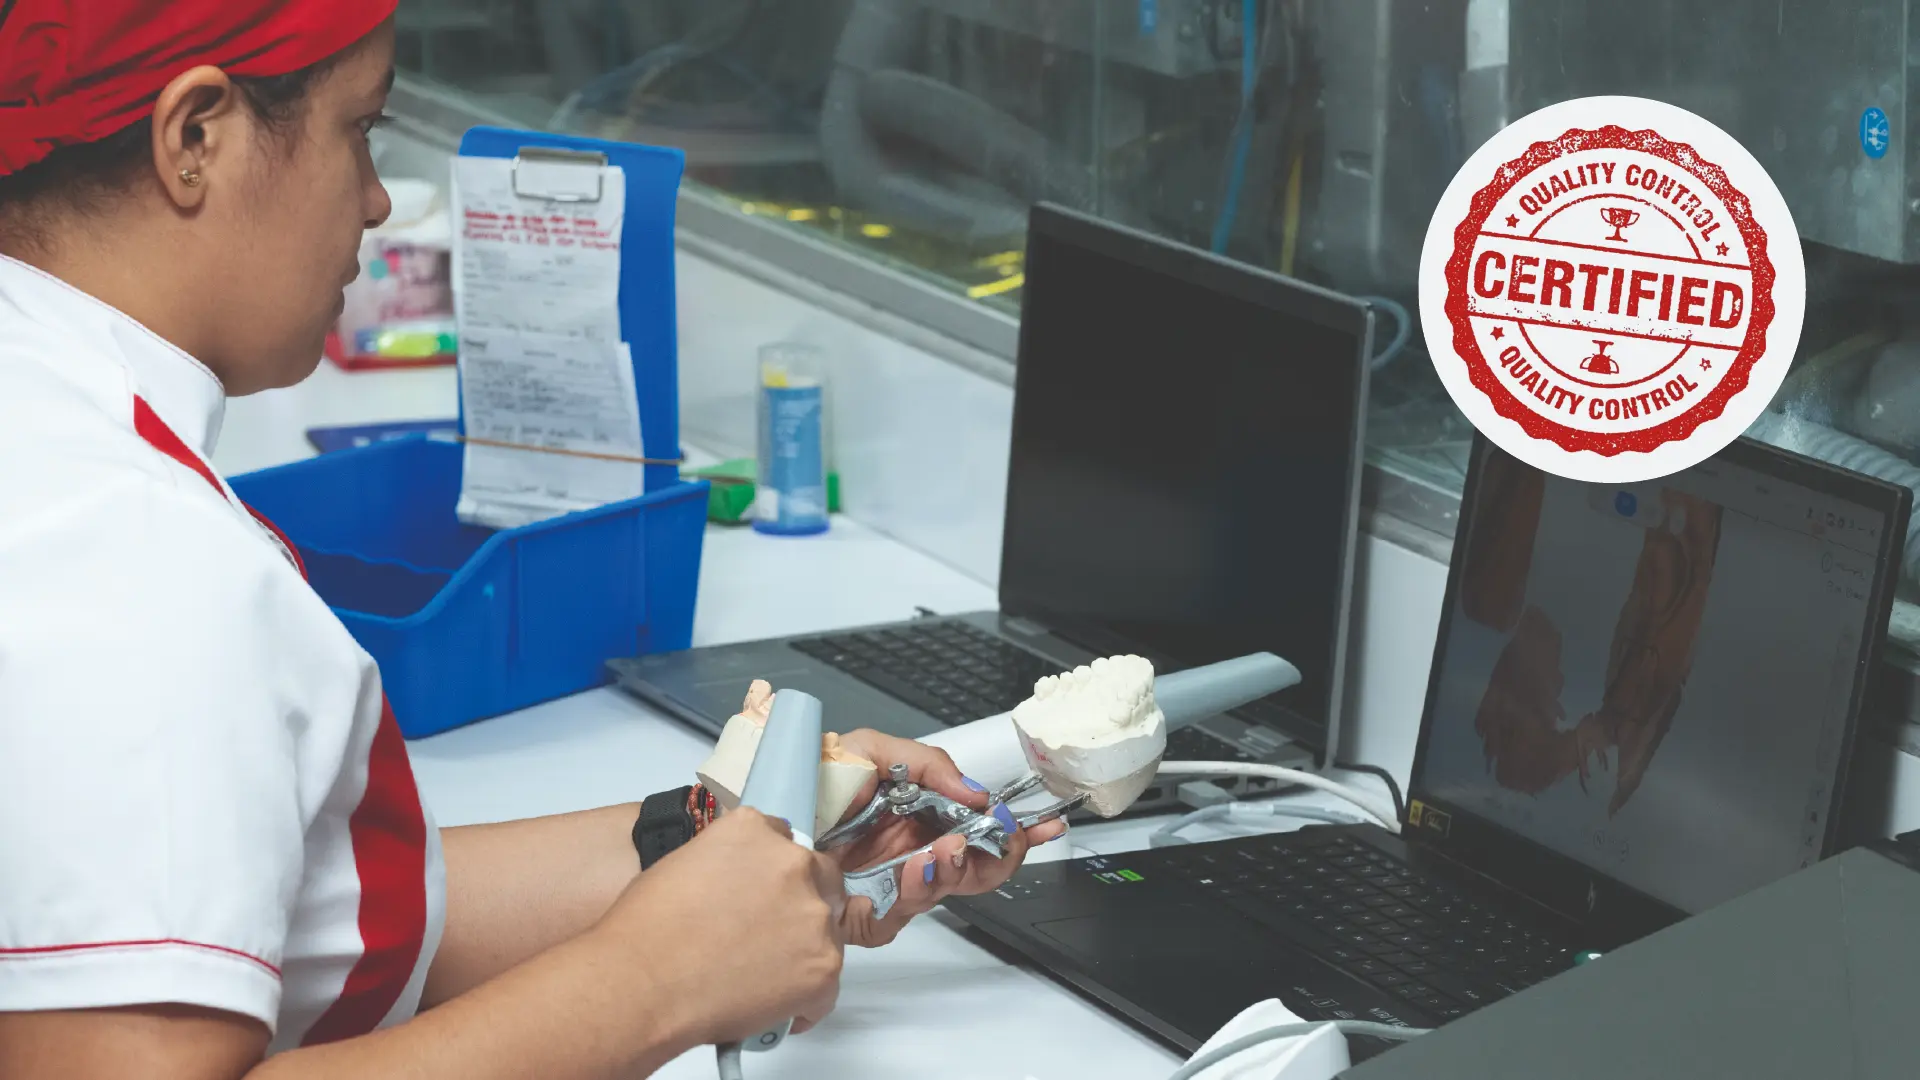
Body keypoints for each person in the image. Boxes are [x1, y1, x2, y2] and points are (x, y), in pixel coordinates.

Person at [0, 3, 1065, 1077]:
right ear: (195, 136)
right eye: (359, 130)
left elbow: (331, 923)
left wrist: (721, 839)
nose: (375, 199)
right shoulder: (136, 559)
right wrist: (658, 982)